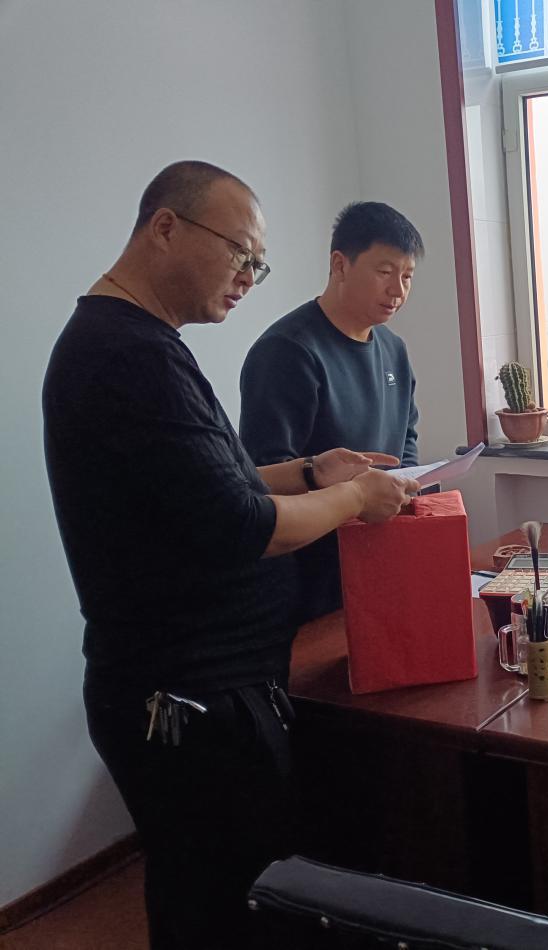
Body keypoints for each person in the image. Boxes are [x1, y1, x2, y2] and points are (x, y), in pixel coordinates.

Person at [42, 161, 421, 950]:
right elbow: (245, 524)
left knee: (217, 893)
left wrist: (314, 471)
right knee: (220, 908)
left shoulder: (146, 344)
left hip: (211, 688)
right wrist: (354, 498)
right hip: (183, 700)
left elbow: (217, 477)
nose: (248, 276)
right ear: (165, 227)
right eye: (239, 253)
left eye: (259, 264)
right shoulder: (128, 355)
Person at [239, 201, 425, 620]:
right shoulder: (287, 351)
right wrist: (351, 497)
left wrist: (406, 489)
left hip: (380, 555)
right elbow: (262, 476)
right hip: (308, 579)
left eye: (407, 276)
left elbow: (406, 439)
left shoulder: (393, 349)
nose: (397, 290)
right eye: (384, 272)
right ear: (340, 265)